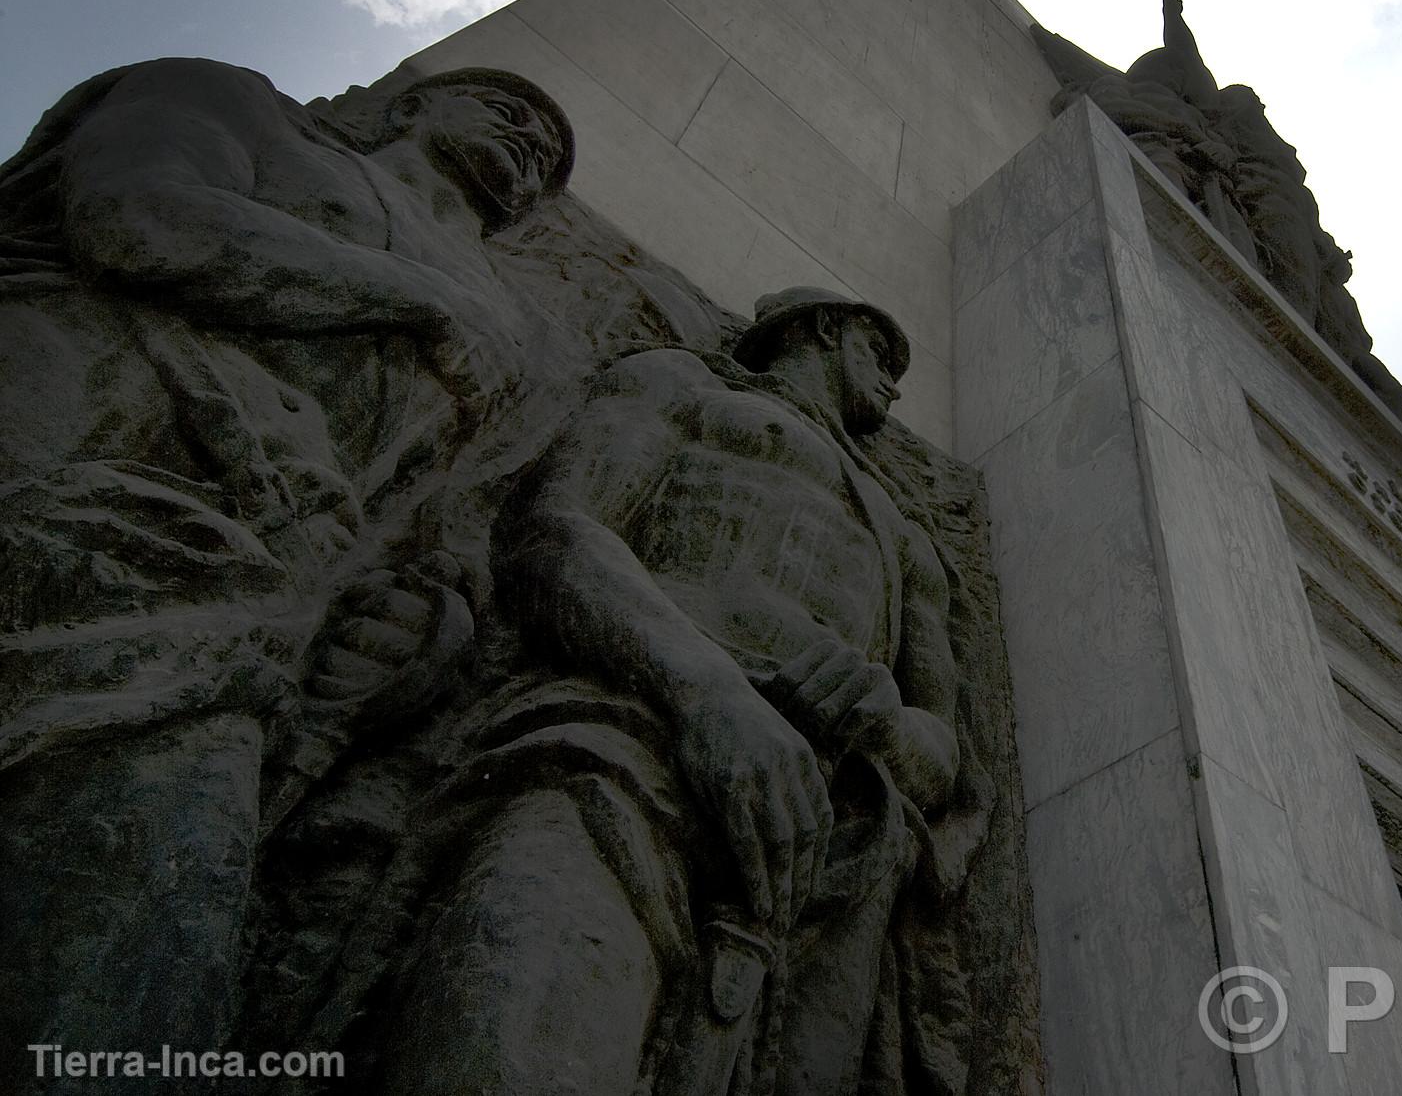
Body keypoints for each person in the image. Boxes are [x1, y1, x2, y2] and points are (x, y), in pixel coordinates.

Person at [0, 58, 574, 1072]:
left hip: (235, 605)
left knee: (138, 972)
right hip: (53, 443)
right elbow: (136, 217)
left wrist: (423, 630)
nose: (531, 143)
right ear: (408, 103)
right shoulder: (238, 105)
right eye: (507, 108)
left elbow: (443, 524)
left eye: (549, 156)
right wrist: (417, 301)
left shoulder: (513, 333)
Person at [369, 288, 970, 1096]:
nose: (896, 385)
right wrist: (710, 694)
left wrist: (883, 722)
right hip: (617, 748)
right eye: (880, 353)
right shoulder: (681, 384)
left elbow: (942, 749)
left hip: (813, 864)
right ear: (825, 328)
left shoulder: (906, 536)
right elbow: (556, 530)